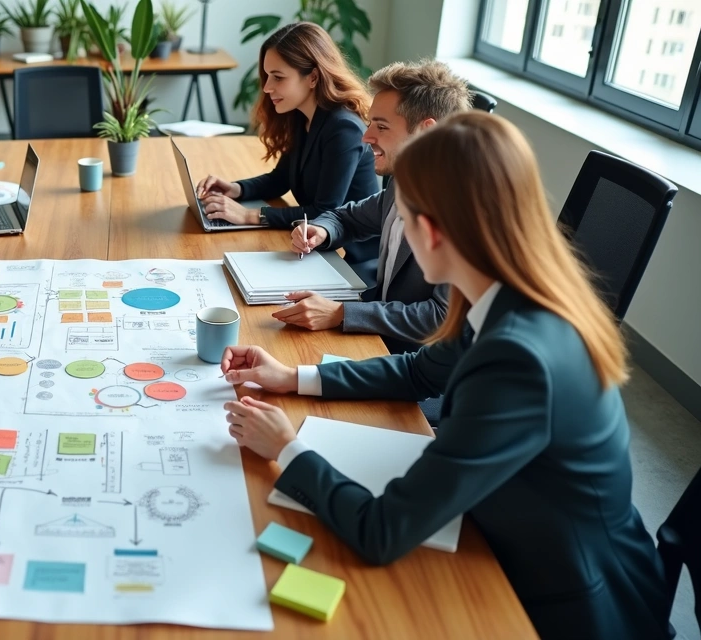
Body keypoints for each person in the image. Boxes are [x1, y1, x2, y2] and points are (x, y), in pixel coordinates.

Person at [220, 112, 673, 640]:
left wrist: (287, 448)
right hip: (499, 526)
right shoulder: (502, 293)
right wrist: (293, 377)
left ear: (431, 232)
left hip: (562, 602)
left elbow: (382, 531)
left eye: (404, 220)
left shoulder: (519, 359)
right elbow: (422, 370)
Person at [278, 60, 471, 354]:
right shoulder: (402, 182)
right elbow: (347, 217)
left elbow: (441, 317)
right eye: (370, 124)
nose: (366, 137)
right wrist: (321, 231)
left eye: (381, 126)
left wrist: (342, 313)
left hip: (414, 360)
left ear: (425, 131)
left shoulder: (463, 212)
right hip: (377, 337)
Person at [195, 22, 377, 252]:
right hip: (316, 249)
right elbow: (280, 179)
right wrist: (235, 189)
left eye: (278, 77)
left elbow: (324, 212)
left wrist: (251, 216)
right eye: (268, 76)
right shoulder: (303, 116)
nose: (267, 87)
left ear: (313, 77)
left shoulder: (344, 129)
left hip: (350, 258)